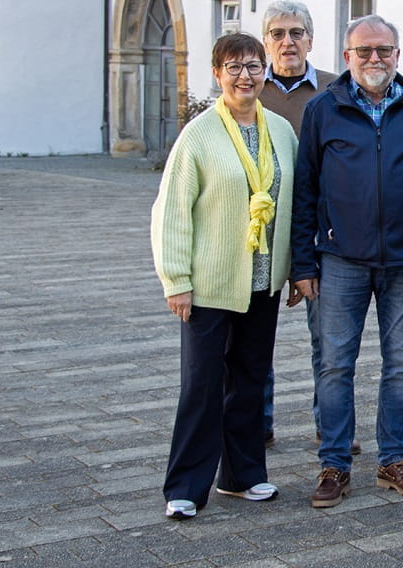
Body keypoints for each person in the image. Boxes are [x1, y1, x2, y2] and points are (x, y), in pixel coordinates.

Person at [291, 14, 403, 508]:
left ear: (398, 54)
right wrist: (303, 264)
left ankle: (392, 460)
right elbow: (306, 190)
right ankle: (334, 464)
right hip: (340, 259)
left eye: (384, 50)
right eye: (364, 51)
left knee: (400, 367)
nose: (374, 59)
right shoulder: (324, 108)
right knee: (334, 365)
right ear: (347, 57)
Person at [151, 32, 297, 519]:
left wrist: (295, 269)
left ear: (265, 72)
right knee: (201, 382)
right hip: (210, 282)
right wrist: (177, 280)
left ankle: (243, 475)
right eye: (234, 67)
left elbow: (295, 204)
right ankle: (187, 486)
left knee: (251, 379)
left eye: (254, 66)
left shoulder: (280, 130)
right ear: (217, 74)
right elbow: (173, 210)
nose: (245, 76)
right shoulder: (199, 134)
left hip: (262, 280)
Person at [255, 0, 355, 453]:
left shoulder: (338, 89)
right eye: (277, 33)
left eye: (296, 33)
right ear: (266, 42)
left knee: (328, 342)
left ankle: (329, 426)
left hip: (321, 235)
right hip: (258, 235)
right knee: (255, 338)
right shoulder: (249, 88)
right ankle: (256, 423)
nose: (287, 42)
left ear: (311, 40)